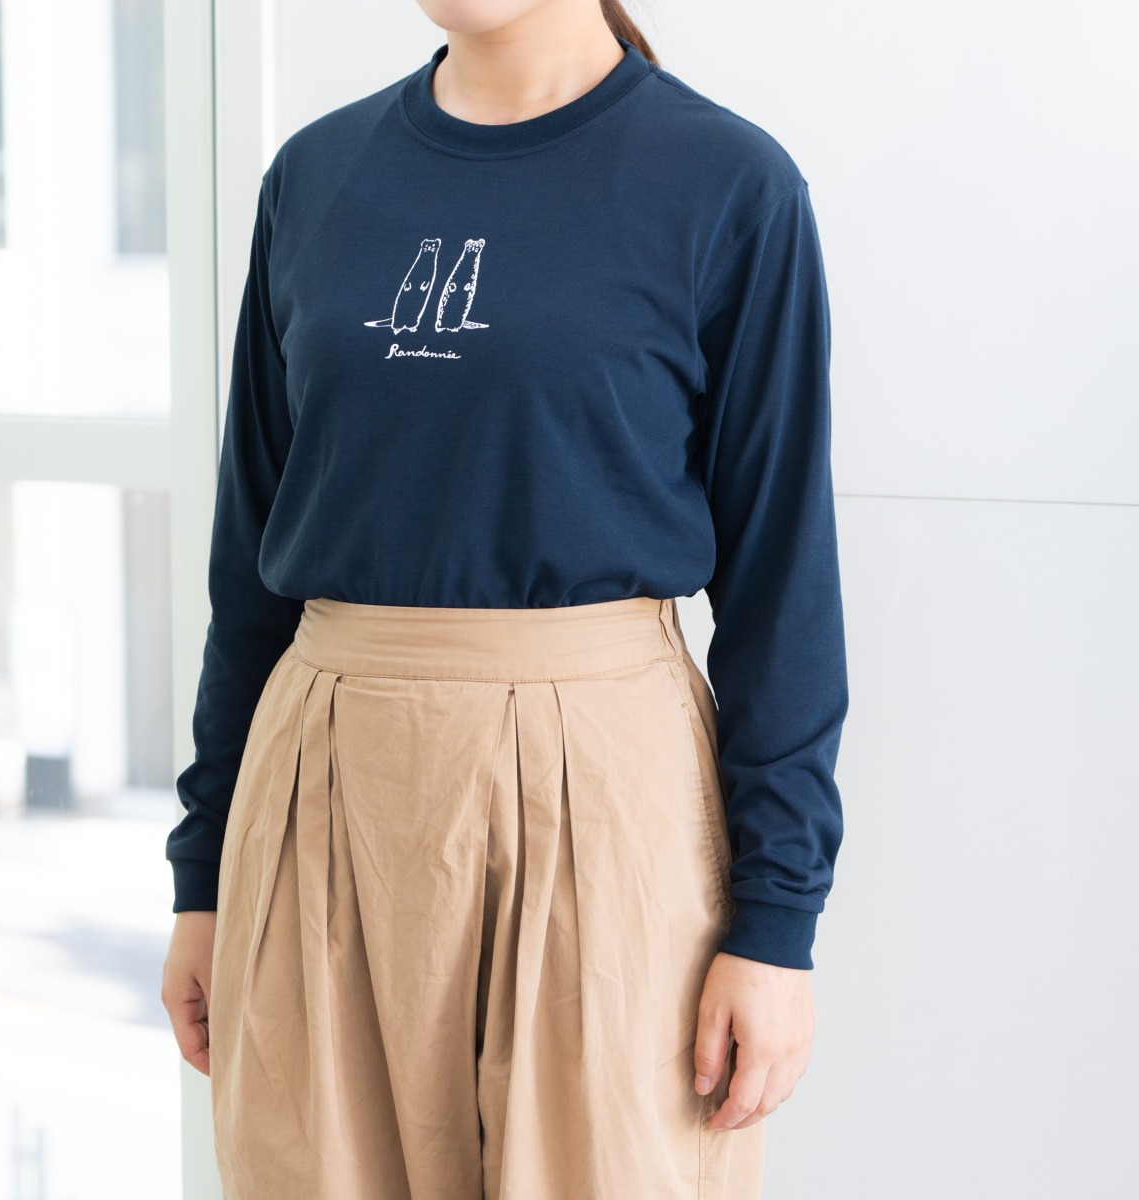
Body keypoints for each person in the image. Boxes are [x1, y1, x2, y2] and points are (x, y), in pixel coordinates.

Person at [160, 1, 848, 1196]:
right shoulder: (315, 178)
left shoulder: (728, 184)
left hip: (604, 795)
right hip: (323, 788)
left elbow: (782, 584)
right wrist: (204, 875)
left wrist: (777, 923)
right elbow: (247, 571)